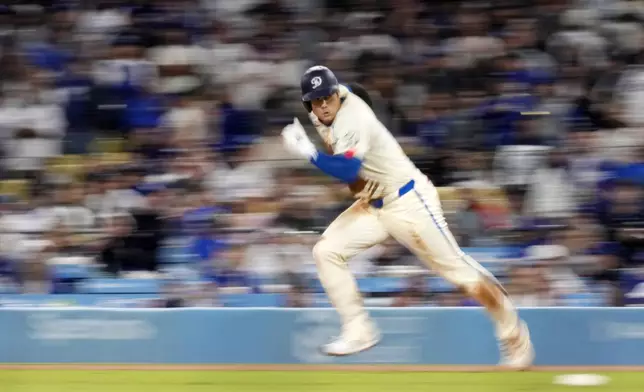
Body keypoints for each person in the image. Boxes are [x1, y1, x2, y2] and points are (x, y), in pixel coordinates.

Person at [280, 66, 534, 369]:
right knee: (326, 250)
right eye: (315, 100)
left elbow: (347, 169)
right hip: (374, 205)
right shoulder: (324, 110)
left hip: (408, 201)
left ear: (337, 94)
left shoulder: (353, 115)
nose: (322, 104)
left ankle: (516, 339)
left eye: (327, 96)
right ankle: (358, 330)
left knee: (460, 273)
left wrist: (308, 151)